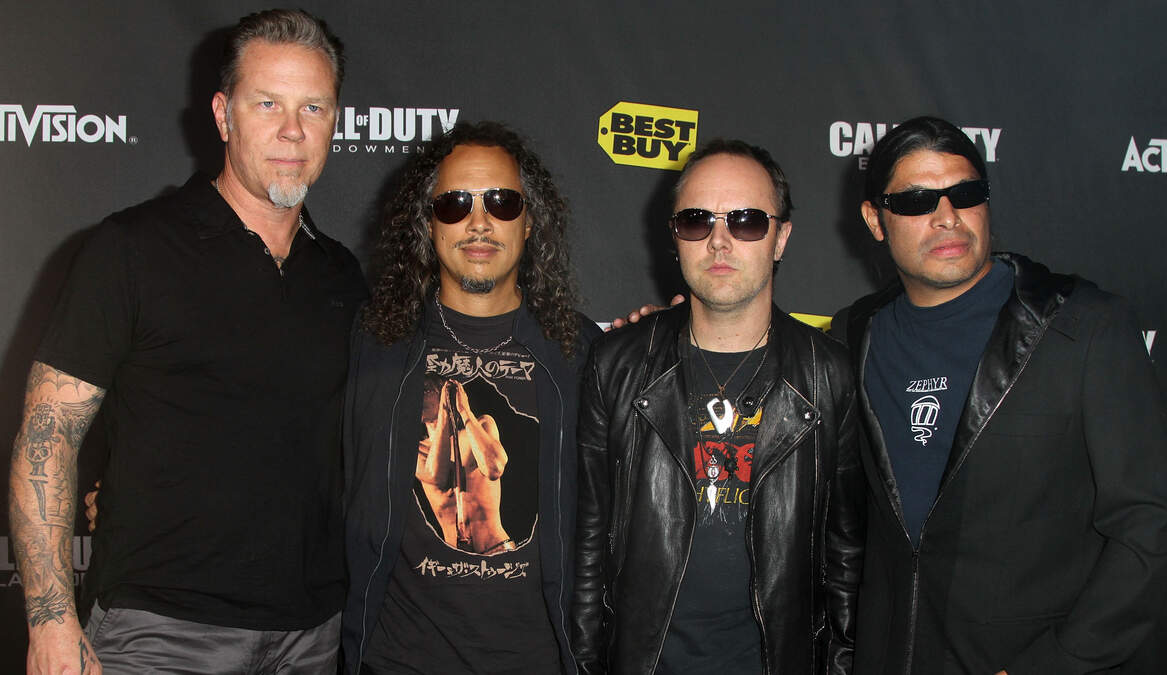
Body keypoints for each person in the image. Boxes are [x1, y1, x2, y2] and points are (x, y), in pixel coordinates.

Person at [9, 9, 365, 672]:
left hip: (312, 635)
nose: (292, 130)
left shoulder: (342, 274)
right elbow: (48, 436)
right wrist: (51, 621)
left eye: (313, 107)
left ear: (335, 121)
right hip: (160, 633)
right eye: (268, 104)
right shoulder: (132, 249)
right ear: (224, 116)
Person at [842, 115, 1167, 675]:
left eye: (966, 193)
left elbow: (1151, 521)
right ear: (874, 220)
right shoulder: (855, 334)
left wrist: (1055, 663)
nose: (947, 216)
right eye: (915, 201)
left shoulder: (1083, 327)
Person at [571, 139, 864, 674]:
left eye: (747, 221)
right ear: (675, 238)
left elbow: (845, 563)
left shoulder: (830, 375)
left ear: (781, 238)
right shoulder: (617, 364)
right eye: (697, 221)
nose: (719, 241)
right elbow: (588, 548)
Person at [341, 121, 601, 675]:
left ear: (529, 222)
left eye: (502, 203)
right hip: (398, 660)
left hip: (537, 659)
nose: (478, 222)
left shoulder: (579, 351)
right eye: (454, 204)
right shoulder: (374, 341)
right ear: (427, 223)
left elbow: (506, 469)